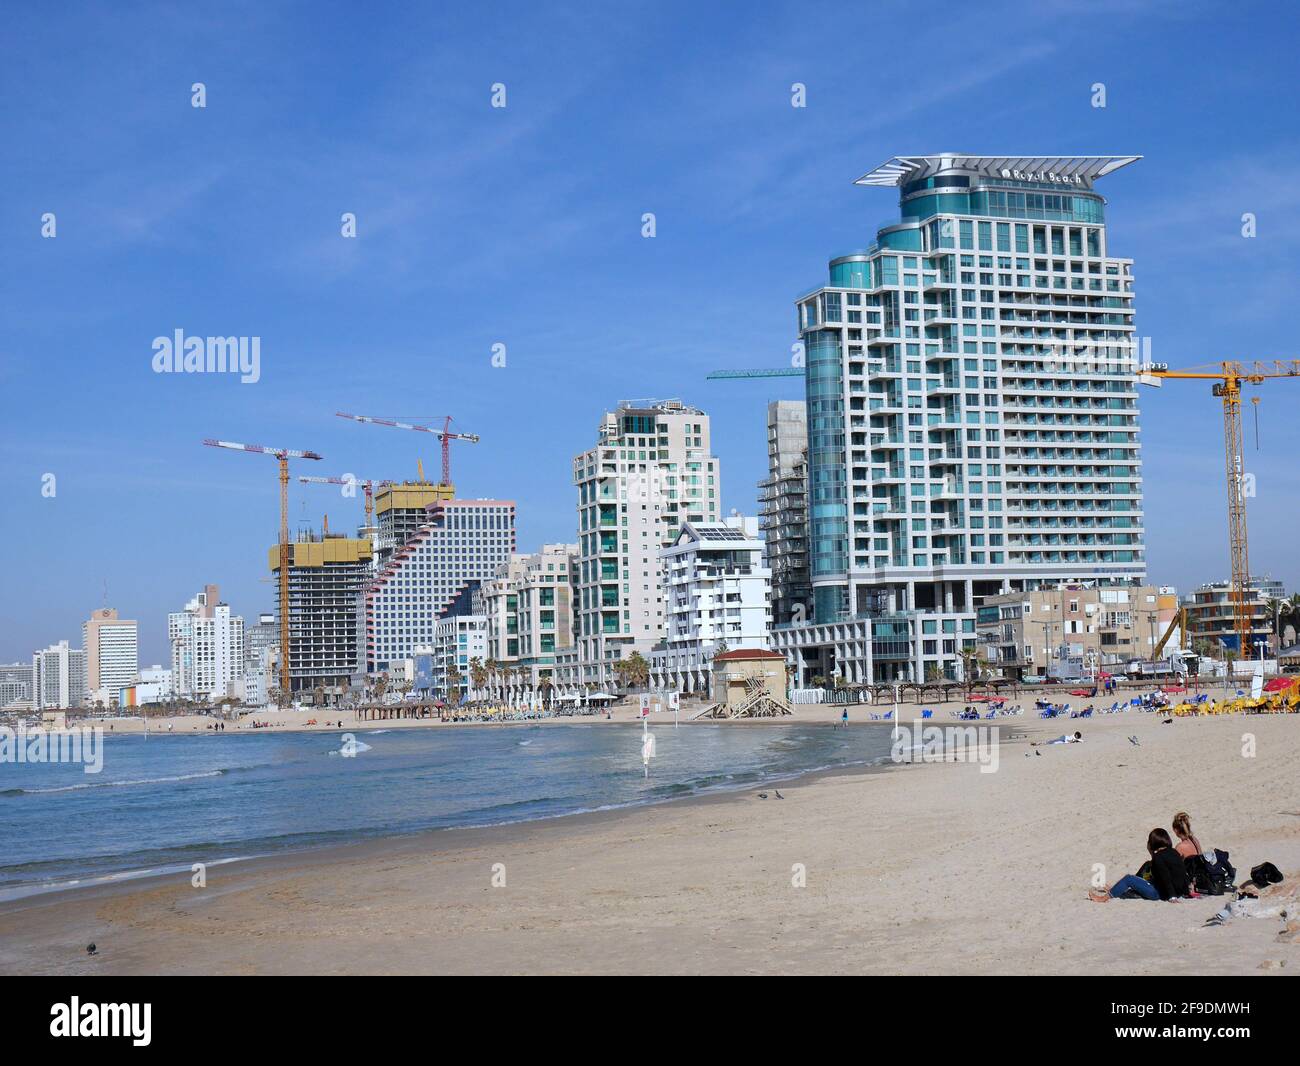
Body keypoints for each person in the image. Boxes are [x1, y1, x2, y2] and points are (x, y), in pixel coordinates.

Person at [1091, 828, 1190, 902]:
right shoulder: (1174, 852)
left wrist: (1172, 897)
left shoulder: (1158, 857)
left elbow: (1166, 877)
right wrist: (1186, 891)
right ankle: (1115, 889)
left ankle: (1103, 898)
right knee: (1142, 877)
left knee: (1128, 879)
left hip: (1160, 894)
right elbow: (1182, 872)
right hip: (1179, 891)